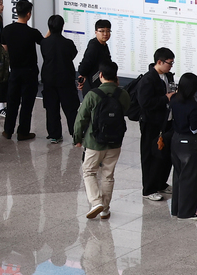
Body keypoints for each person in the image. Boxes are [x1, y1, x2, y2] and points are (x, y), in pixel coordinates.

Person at [74, 61, 131, 220]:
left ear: (100, 75)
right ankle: (105, 210)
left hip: (95, 142)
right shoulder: (123, 94)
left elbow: (81, 119)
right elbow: (126, 110)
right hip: (115, 141)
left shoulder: (93, 95)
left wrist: (77, 138)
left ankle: (96, 202)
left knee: (89, 171)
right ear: (116, 76)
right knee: (108, 175)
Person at [0, 0, 43, 141]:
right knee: (27, 103)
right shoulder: (32, 33)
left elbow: (4, 50)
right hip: (30, 72)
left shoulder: (7, 30)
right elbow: (44, 42)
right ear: (28, 14)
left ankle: (8, 130)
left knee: (12, 101)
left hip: (14, 71)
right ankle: (23, 132)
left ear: (16, 12)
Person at [135, 47, 176, 201]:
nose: (171, 66)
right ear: (159, 62)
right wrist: (166, 98)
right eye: (169, 63)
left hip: (167, 121)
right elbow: (145, 103)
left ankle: (160, 183)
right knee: (150, 155)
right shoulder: (148, 80)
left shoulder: (167, 76)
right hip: (151, 123)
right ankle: (148, 189)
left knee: (165, 154)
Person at [40, 14, 80, 145]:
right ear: (62, 26)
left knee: (51, 108)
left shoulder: (44, 43)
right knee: (71, 108)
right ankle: (76, 134)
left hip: (49, 79)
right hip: (65, 79)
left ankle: (54, 135)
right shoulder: (68, 43)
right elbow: (73, 54)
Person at [169, 73, 197, 219]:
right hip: (189, 143)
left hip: (175, 140)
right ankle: (186, 212)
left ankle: (176, 209)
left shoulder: (174, 99)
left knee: (178, 175)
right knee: (189, 177)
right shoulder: (193, 106)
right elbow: (194, 128)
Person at [76, 19, 112, 95]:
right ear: (96, 32)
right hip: (92, 89)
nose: (105, 34)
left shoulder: (104, 45)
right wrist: (84, 76)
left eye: (108, 31)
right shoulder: (94, 46)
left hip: (100, 86)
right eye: (102, 31)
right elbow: (83, 68)